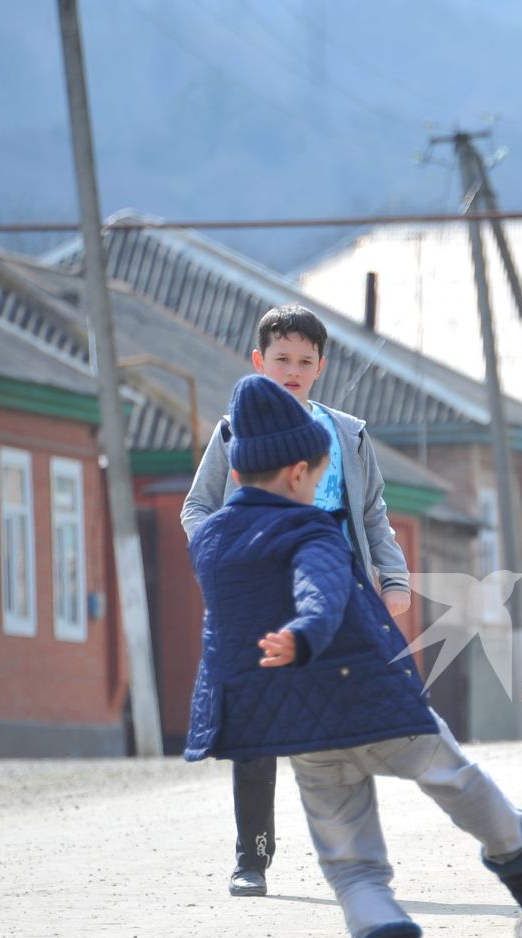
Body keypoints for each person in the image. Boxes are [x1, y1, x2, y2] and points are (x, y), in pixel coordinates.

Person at [186, 375, 522, 938]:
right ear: (299, 471)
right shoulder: (313, 532)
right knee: (453, 776)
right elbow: (323, 591)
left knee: (352, 862)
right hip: (374, 696)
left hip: (300, 728)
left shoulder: (212, 542)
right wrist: (306, 635)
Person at [181, 304, 412, 898]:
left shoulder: (348, 434)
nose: (292, 370)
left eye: (304, 362)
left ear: (320, 368)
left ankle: (352, 858)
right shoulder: (234, 432)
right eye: (281, 359)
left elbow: (373, 516)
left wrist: (394, 579)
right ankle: (252, 857)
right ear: (259, 362)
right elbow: (196, 507)